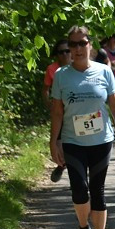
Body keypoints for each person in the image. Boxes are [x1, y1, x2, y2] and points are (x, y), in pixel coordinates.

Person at [50, 26, 115, 229]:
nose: (76, 49)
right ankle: (83, 227)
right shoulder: (62, 76)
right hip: (73, 141)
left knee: (98, 191)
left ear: (90, 45)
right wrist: (54, 142)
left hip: (101, 140)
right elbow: (57, 112)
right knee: (79, 190)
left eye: (81, 43)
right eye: (72, 45)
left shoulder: (104, 71)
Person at [43, 39, 71, 182]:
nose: (65, 54)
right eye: (61, 52)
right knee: (59, 144)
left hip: (74, 112)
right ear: (57, 54)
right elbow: (46, 89)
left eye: (68, 51)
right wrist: (50, 104)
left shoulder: (77, 67)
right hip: (59, 112)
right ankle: (61, 165)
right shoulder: (52, 69)